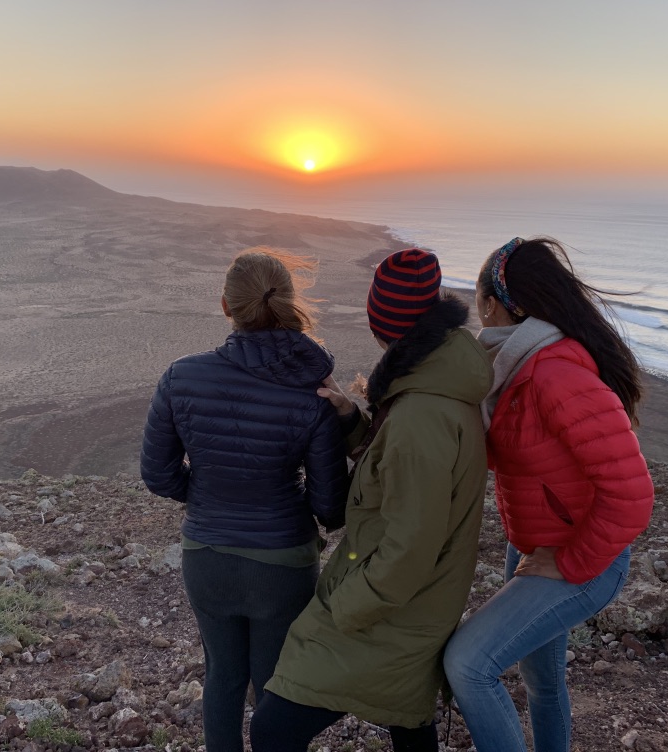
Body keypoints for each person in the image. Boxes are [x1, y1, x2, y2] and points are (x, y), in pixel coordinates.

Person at [249, 248, 494, 752]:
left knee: (274, 729)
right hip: (416, 603)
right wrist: (349, 418)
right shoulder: (432, 385)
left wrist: (345, 606)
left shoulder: (420, 415)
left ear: (387, 324)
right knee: (406, 718)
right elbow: (398, 475)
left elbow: (410, 545)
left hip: (392, 611)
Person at [443, 236, 655, 752]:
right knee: (542, 683)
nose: (477, 314)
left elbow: (632, 493)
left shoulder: (554, 372)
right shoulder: (517, 365)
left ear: (494, 304)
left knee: (468, 664)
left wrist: (571, 562)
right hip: (537, 544)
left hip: (584, 557)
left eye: (477, 301)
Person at [140, 248, 350, 752]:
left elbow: (158, 473)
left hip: (206, 556)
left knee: (223, 679)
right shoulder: (313, 392)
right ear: (288, 305)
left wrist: (209, 495)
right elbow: (331, 507)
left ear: (225, 306)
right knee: (277, 687)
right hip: (281, 564)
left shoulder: (180, 376)